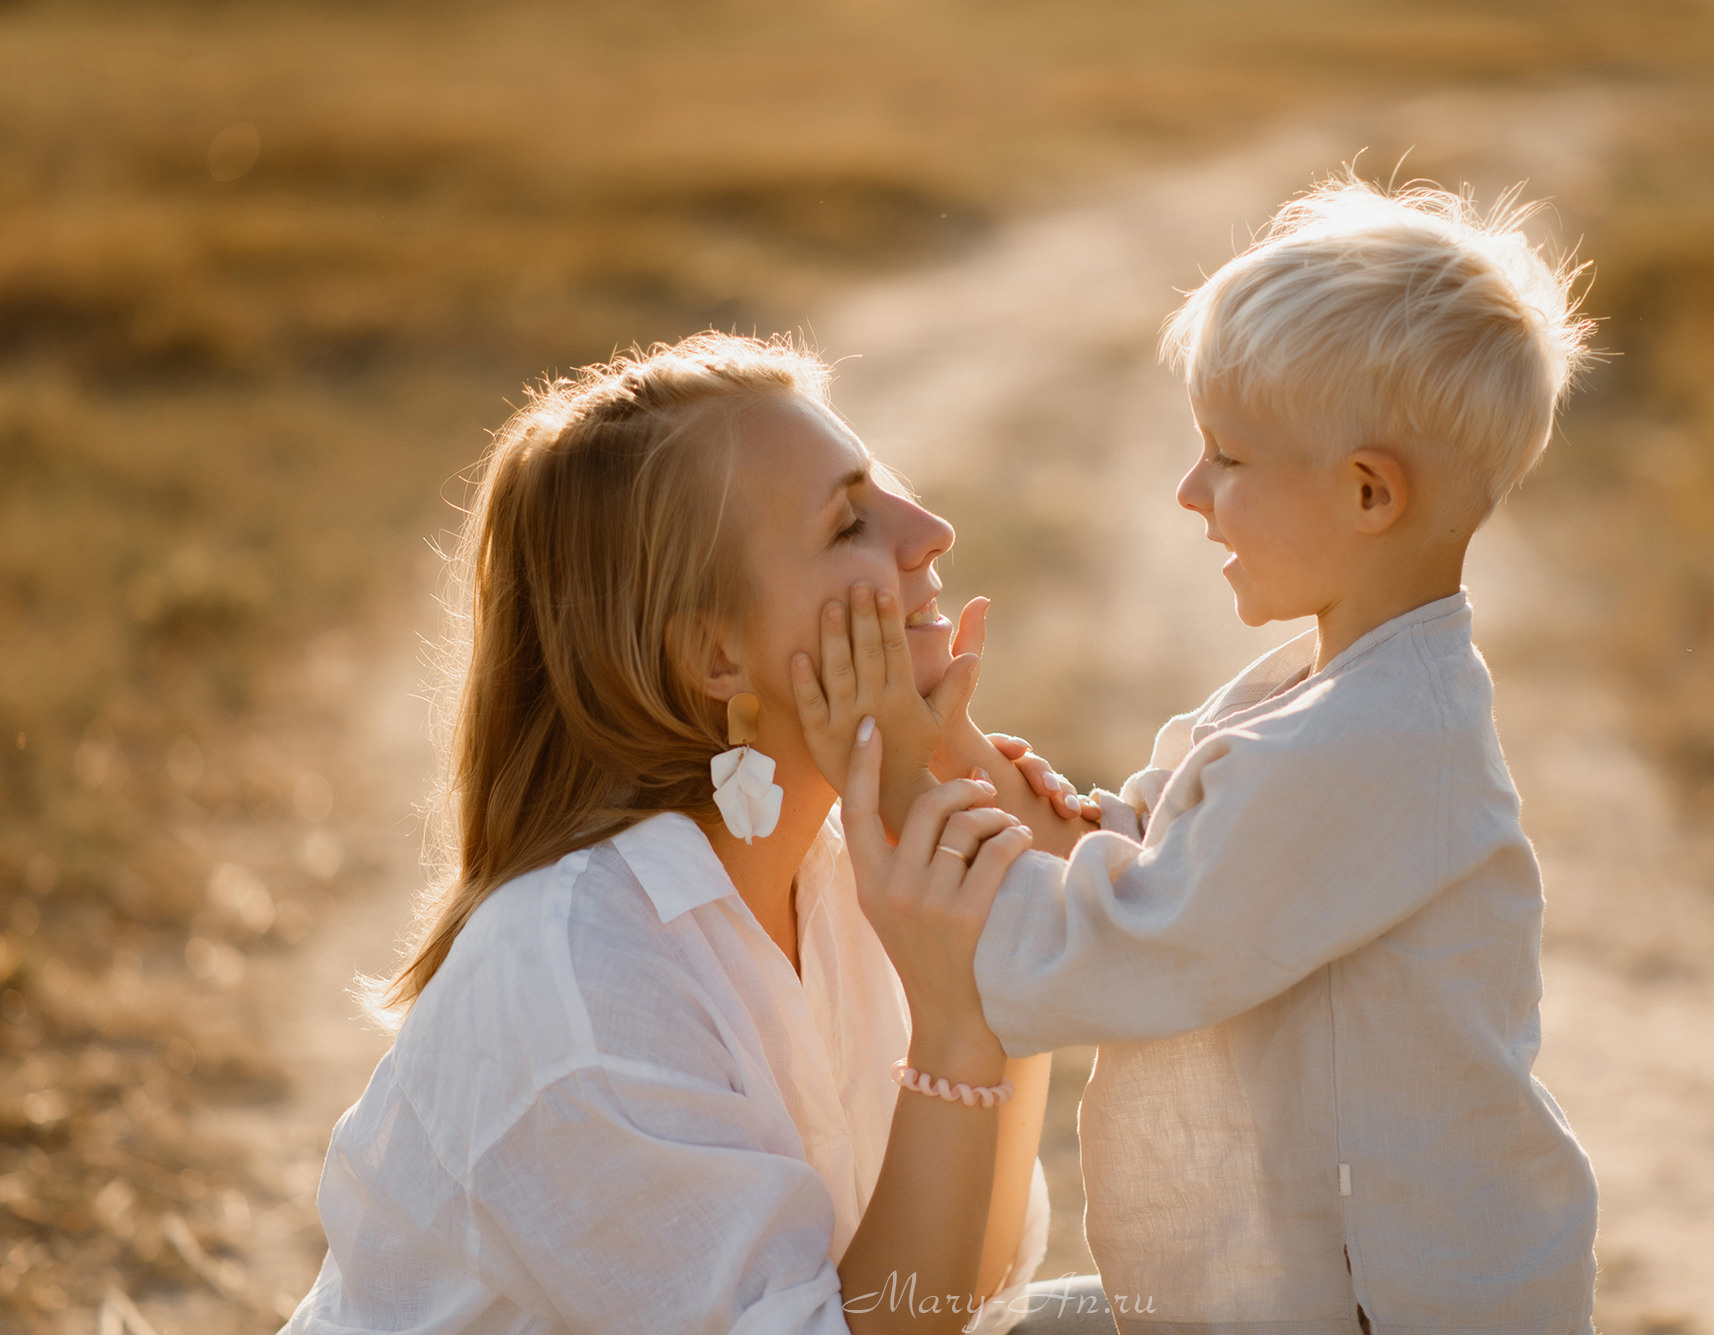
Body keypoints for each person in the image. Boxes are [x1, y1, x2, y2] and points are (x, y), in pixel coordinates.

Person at [810, 176, 1601, 1333]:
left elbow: (1147, 939)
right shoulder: (1323, 692)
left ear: (1368, 491)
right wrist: (953, 752)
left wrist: (910, 840)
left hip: (1386, 1303)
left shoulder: (1377, 743)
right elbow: (1149, 857)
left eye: (1225, 458)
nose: (1189, 493)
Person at [281, 334, 1103, 1334]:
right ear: (717, 655)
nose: (929, 529)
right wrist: (955, 1032)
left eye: (887, 492)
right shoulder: (582, 972)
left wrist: (1000, 940)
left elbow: (959, 1295)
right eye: (850, 523)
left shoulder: (848, 870)